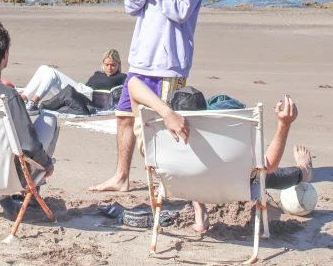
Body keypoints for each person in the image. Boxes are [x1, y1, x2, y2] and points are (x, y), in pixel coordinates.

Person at [90, 0, 203, 192]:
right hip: (140, 62)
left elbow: (180, 12)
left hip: (168, 66)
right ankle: (121, 177)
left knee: (161, 128)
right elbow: (130, 8)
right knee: (124, 118)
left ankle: (174, 182)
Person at [128, 80, 313, 233]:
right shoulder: (226, 141)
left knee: (191, 163)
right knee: (260, 175)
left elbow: (133, 84)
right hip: (230, 183)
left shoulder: (155, 141)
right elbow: (269, 166)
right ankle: (303, 171)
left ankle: (200, 214)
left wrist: (166, 113)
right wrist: (284, 125)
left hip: (183, 182)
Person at [0, 22, 59, 219]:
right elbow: (29, 144)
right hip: (8, 176)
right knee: (49, 121)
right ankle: (32, 195)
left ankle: (4, 200)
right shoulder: (8, 96)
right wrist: (47, 165)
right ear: (4, 56)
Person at [20, 49, 127, 112]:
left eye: (113, 65)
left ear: (119, 64)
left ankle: (34, 102)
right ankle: (21, 99)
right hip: (81, 90)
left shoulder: (122, 77)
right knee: (43, 68)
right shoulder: (98, 74)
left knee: (52, 74)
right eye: (106, 65)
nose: (109, 68)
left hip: (88, 97)